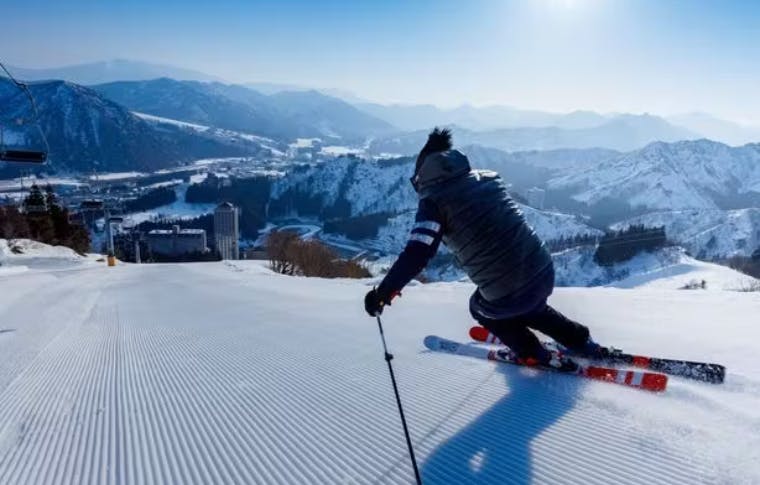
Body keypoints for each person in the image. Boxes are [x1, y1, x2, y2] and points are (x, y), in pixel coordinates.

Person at [364, 128, 604, 371]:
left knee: (482, 307)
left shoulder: (434, 202)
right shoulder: (488, 178)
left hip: (509, 290)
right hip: (542, 269)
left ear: (422, 173)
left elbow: (418, 252)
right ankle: (581, 341)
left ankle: (532, 353)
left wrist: (383, 293)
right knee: (528, 304)